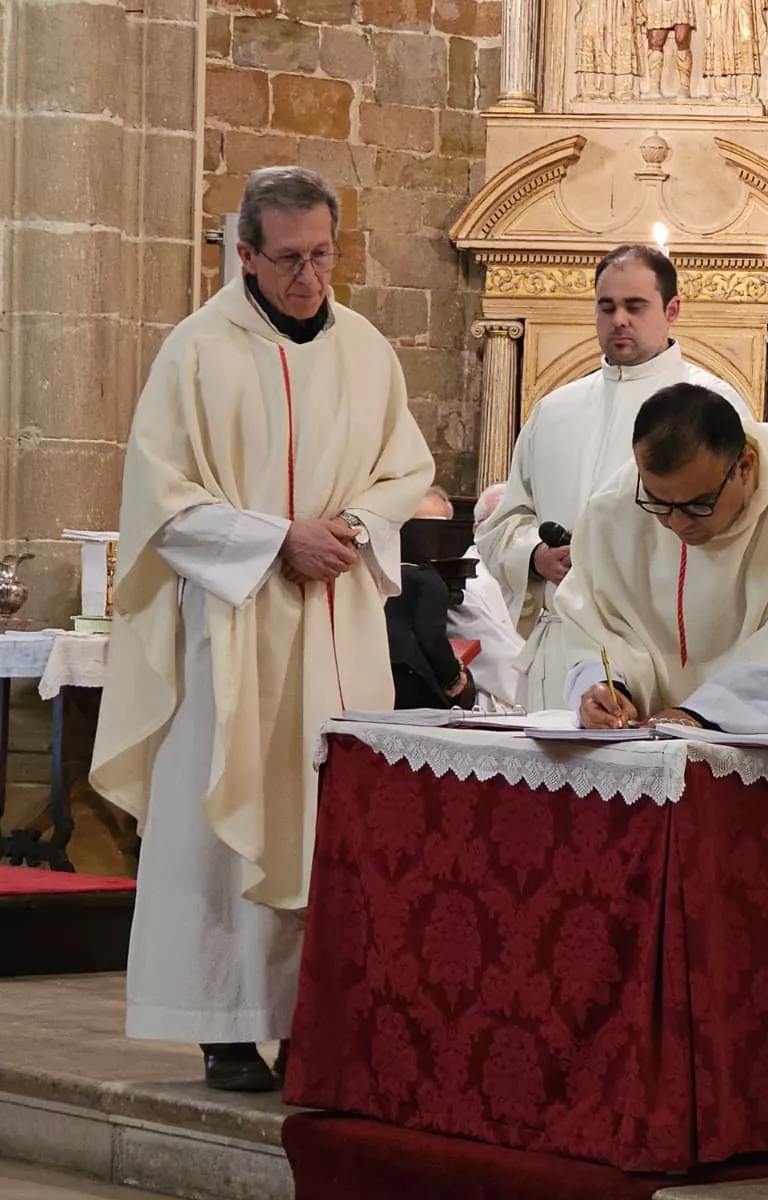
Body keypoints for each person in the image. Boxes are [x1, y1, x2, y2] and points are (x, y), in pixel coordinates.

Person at [89, 166, 433, 1091]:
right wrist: (276, 539)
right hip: (233, 627)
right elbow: (159, 500)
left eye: (323, 255)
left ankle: (317, 1023)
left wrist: (353, 529)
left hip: (338, 626)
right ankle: (229, 1024)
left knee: (329, 819)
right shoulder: (196, 351)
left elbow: (407, 468)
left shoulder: (365, 350)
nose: (309, 276)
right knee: (227, 812)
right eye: (288, 258)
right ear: (244, 253)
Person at [476, 245, 749, 711]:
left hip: (661, 650)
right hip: (562, 644)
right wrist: (535, 556)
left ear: (672, 310)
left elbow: (736, 529)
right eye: (607, 307)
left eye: (635, 306)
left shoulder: (710, 406)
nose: (619, 319)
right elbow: (506, 521)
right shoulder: (554, 410)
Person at [557, 382, 768, 736]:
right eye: (659, 504)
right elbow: (597, 620)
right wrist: (604, 687)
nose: (677, 523)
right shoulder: (615, 507)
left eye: (698, 504)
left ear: (744, 466)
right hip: (647, 746)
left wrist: (702, 715)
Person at [389, 488, 477, 710]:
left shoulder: (371, 571)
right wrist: (454, 678)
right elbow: (430, 637)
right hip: (409, 681)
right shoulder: (425, 578)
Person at [447, 482, 525, 709]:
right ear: (476, 529)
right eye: (498, 523)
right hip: (496, 702)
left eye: (518, 524)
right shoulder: (461, 585)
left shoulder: (535, 573)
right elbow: (496, 659)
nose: (508, 535)